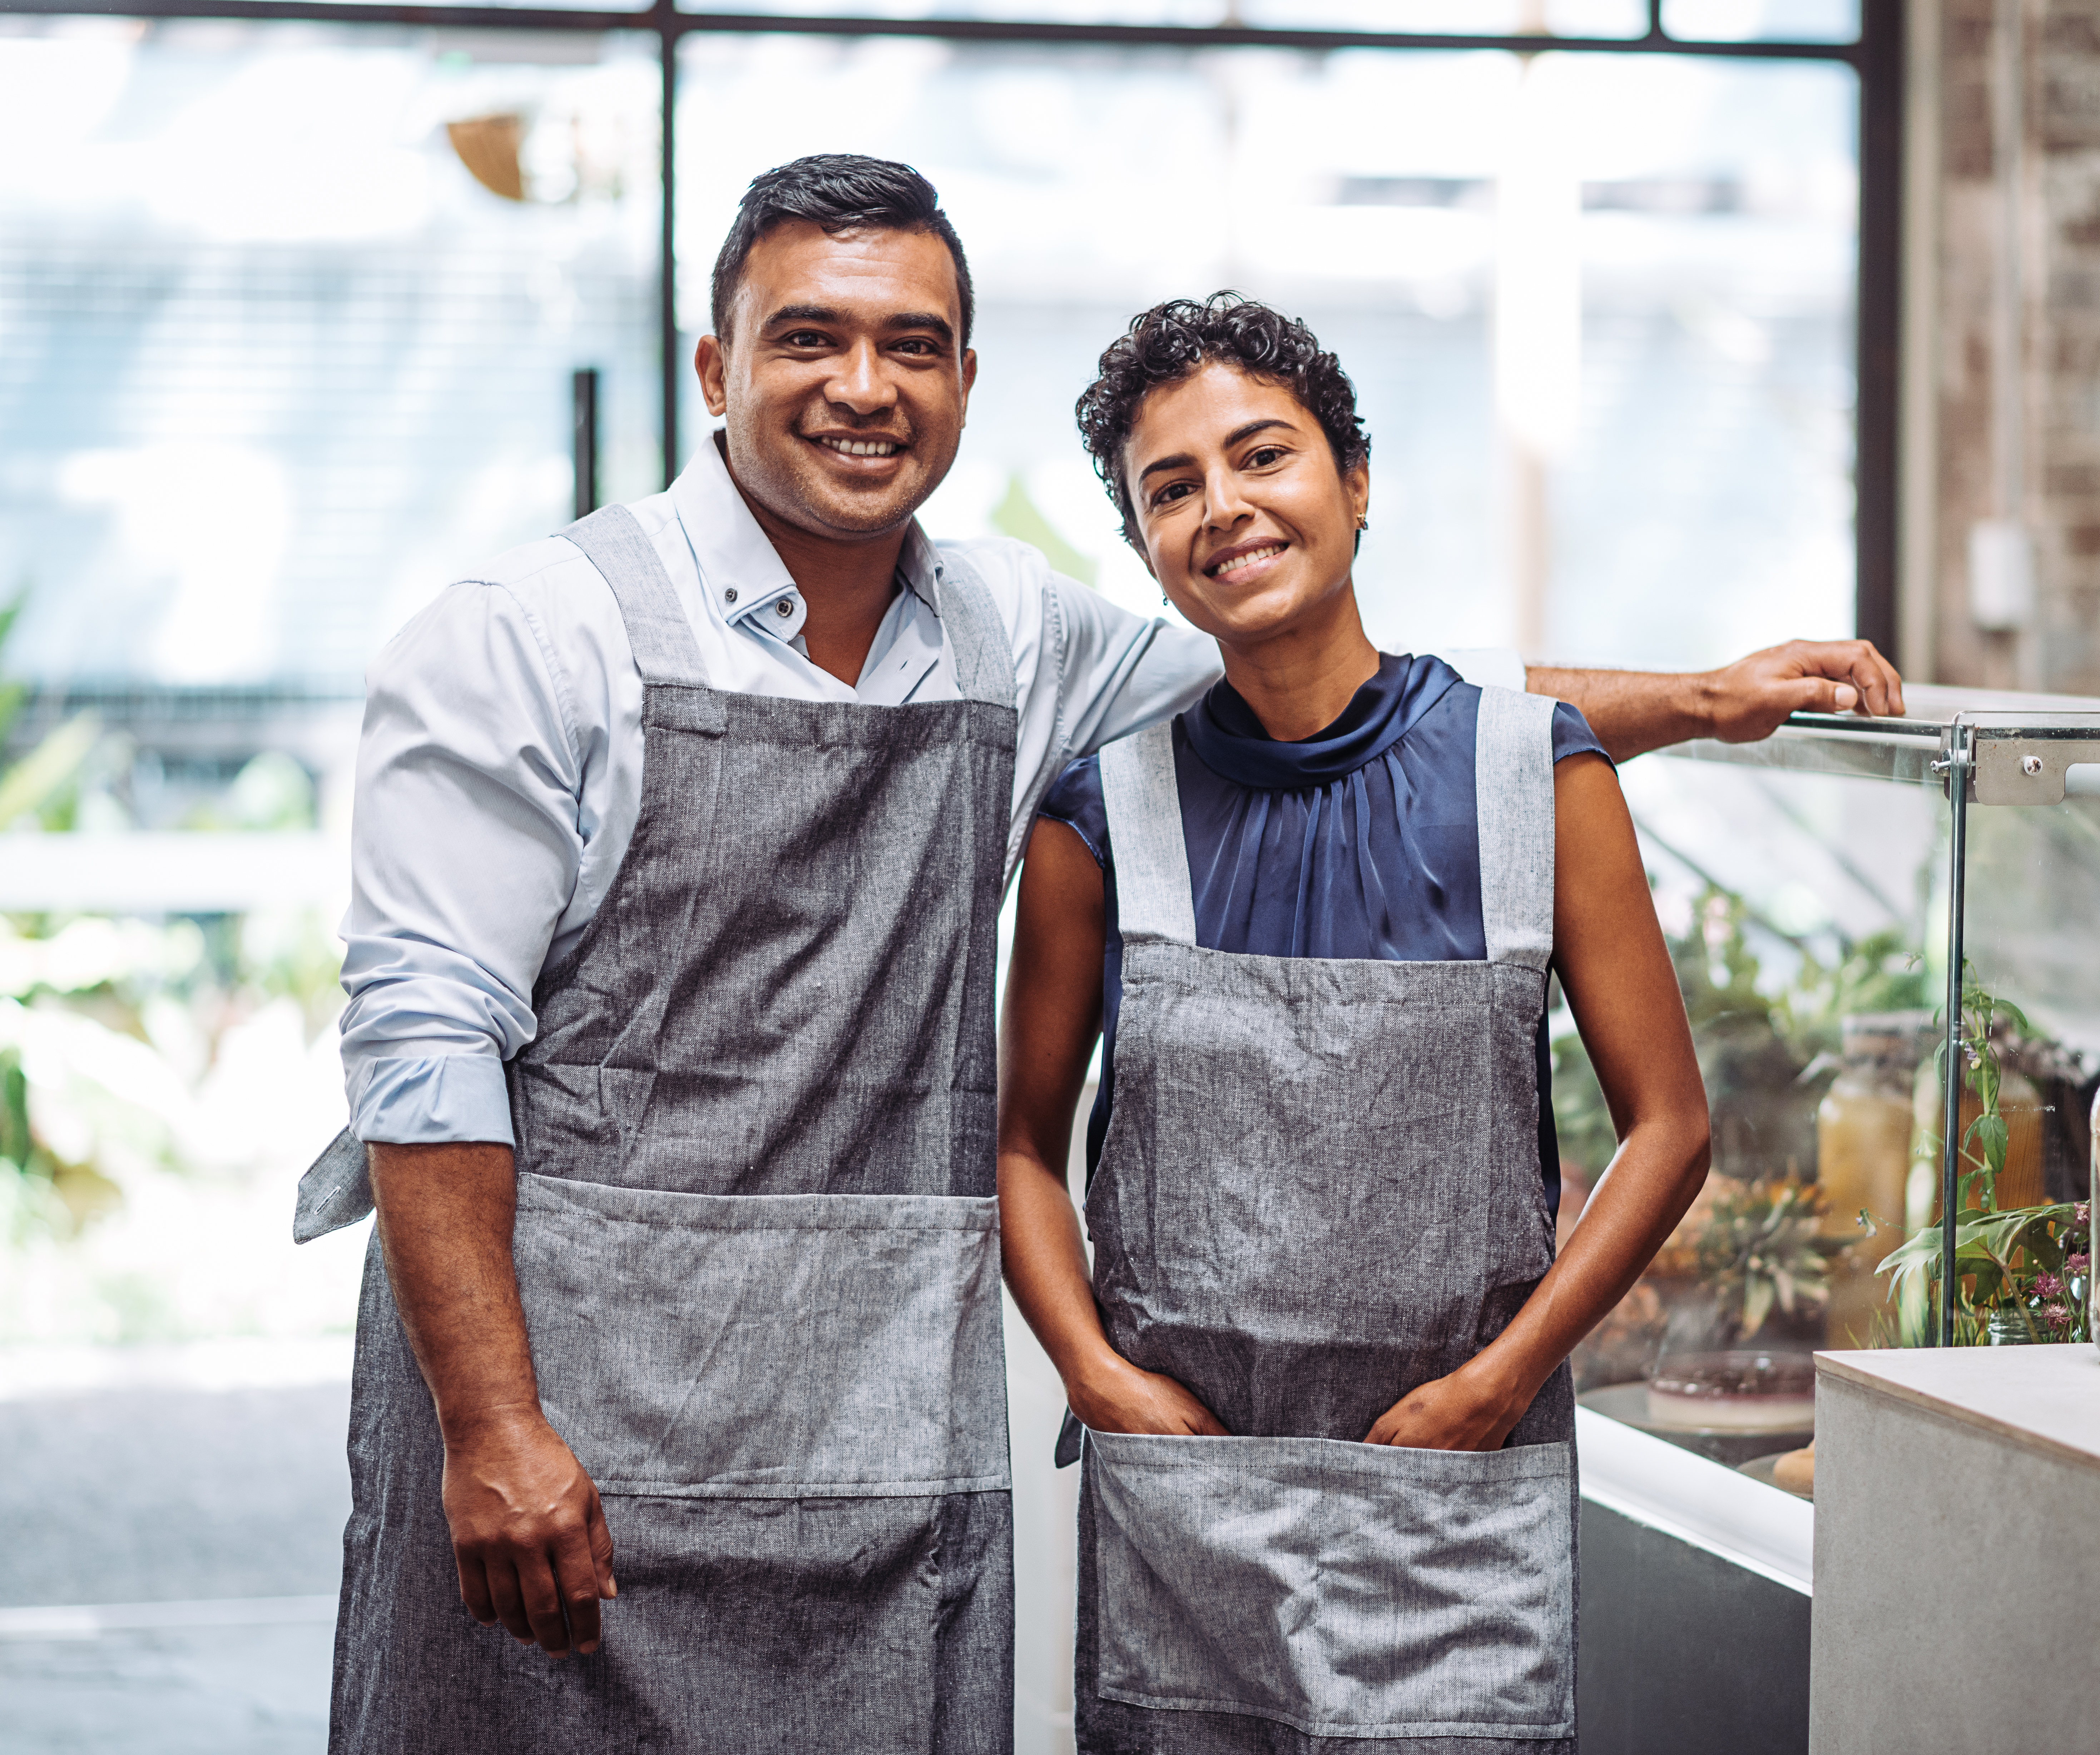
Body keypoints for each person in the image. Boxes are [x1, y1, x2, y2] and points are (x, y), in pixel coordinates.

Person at [300, 154, 1902, 1755]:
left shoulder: (1015, 638)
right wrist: (493, 1420)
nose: (864, 386)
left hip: (874, 1444)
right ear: (716, 369)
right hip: (566, 1434)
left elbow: (1358, 688)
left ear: (962, 382)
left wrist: (1699, 700)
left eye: (912, 346)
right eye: (808, 339)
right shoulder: (529, 633)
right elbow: (426, 1038)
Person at [997, 293, 1717, 1754]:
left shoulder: (1535, 775)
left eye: (1263, 455)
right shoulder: (1102, 813)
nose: (1225, 508)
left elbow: (1671, 1126)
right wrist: (1095, 1375)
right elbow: (1016, 1141)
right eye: (1171, 488)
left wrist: (1498, 1381)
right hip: (1186, 1512)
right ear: (1141, 547)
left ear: (1357, 479)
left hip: (1460, 1485)